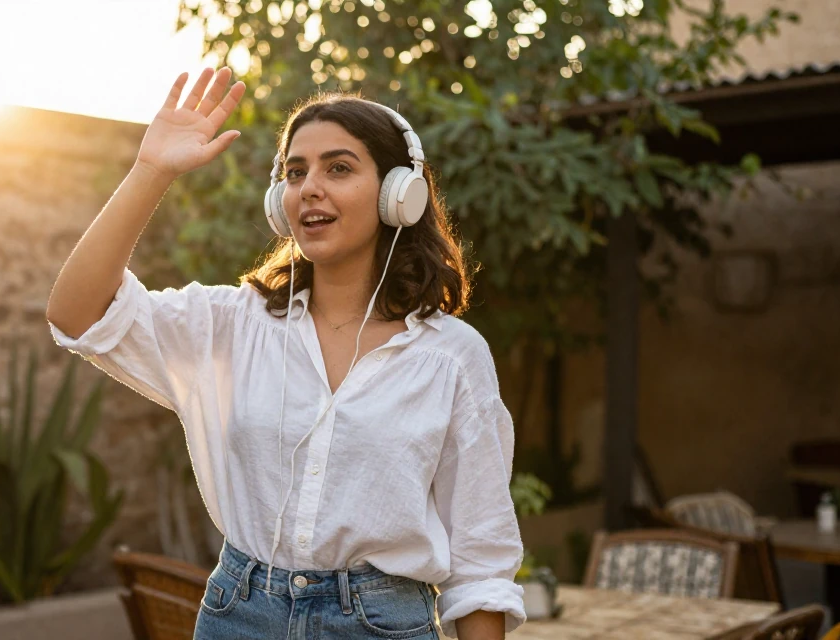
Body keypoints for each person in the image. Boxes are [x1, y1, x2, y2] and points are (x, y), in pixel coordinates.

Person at [45, 67, 526, 640]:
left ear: (400, 194)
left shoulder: (452, 358)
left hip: (382, 625)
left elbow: (480, 560)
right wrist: (152, 171)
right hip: (239, 614)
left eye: (339, 168)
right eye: (295, 173)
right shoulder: (234, 323)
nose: (310, 188)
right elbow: (77, 313)